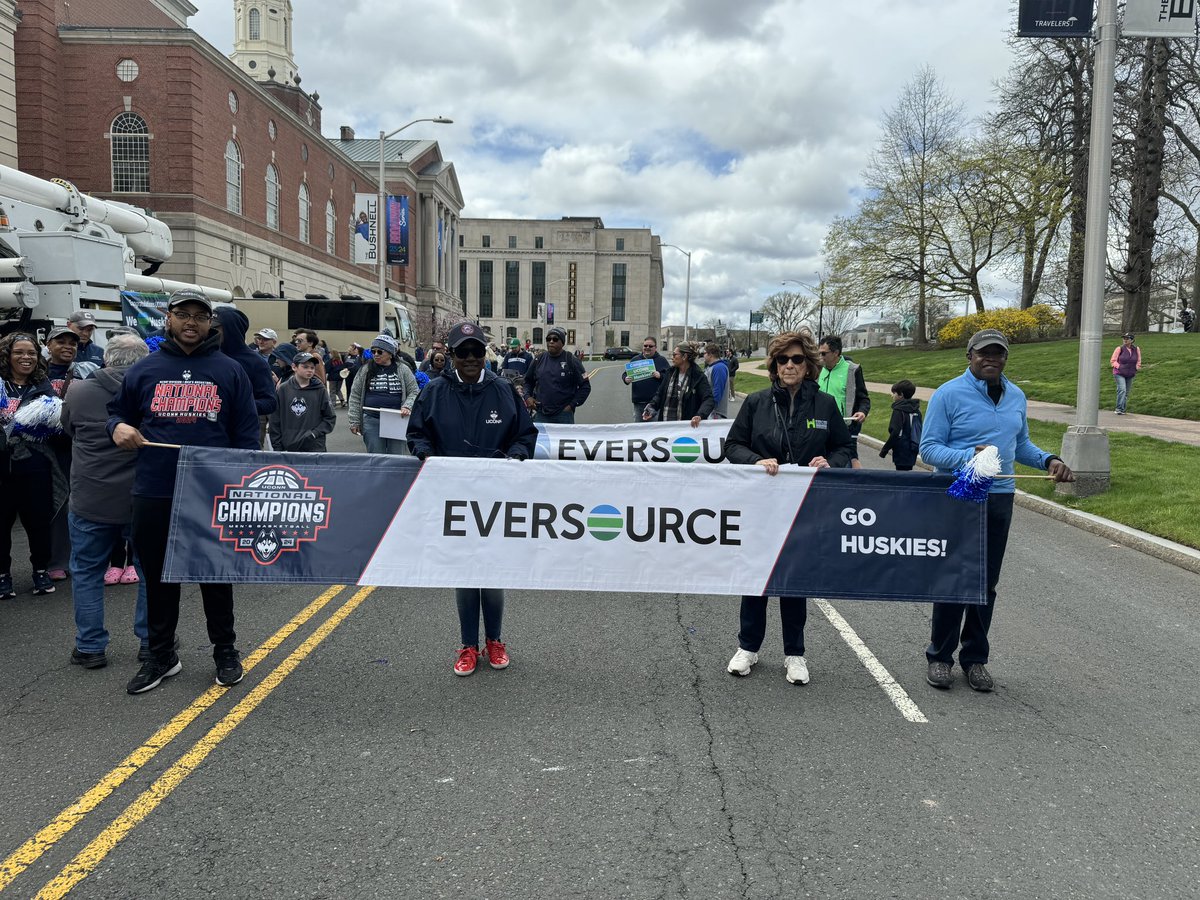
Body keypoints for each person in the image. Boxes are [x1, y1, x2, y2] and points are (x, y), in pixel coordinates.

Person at [108, 288, 260, 694]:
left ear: (211, 322)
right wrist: (117, 428)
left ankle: (225, 651)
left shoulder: (229, 370)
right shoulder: (145, 370)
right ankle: (161, 654)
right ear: (169, 320)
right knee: (158, 577)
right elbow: (118, 414)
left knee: (214, 574)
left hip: (212, 492)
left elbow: (246, 436)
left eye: (200, 315)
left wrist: (239, 482)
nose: (191, 322)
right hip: (155, 488)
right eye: (183, 314)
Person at [919, 329, 1075, 692]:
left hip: (1000, 495)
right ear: (969, 355)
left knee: (986, 582)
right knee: (954, 577)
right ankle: (939, 657)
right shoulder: (947, 394)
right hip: (961, 494)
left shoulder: (1016, 395)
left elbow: (1019, 444)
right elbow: (928, 450)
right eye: (983, 353)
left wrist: (1048, 460)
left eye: (998, 354)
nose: (991, 359)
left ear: (1005, 358)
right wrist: (969, 458)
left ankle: (975, 659)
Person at [406, 321, 537, 676]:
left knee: (491, 574)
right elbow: (417, 433)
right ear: (451, 355)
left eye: (476, 351)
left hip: (495, 500)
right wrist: (425, 454)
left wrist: (517, 458)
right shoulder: (434, 391)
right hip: (453, 500)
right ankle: (467, 645)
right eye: (462, 352)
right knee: (465, 574)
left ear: (484, 354)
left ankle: (494, 640)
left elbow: (525, 435)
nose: (470, 359)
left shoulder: (503, 391)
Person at [724, 331, 853, 684]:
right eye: (783, 360)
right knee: (757, 580)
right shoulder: (757, 402)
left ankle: (794, 654)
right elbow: (733, 445)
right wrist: (756, 459)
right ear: (774, 366)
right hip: (762, 507)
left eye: (797, 359)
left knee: (795, 582)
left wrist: (830, 462)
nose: (790, 366)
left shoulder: (826, 405)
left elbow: (844, 448)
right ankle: (747, 647)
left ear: (809, 364)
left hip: (804, 508)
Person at [61, 335, 150, 669]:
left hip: (91, 495)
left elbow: (68, 427)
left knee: (86, 572)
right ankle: (150, 641)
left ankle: (90, 646)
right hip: (139, 496)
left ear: (106, 358)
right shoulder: (152, 392)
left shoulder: (79, 390)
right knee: (148, 570)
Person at [0, 333, 63, 598]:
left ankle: (40, 570)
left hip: (35, 465)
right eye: (19, 352)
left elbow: (54, 425)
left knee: (38, 522)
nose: (26, 358)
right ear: (6, 355)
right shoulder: (0, 384)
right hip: (1, 466)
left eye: (32, 353)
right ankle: (3, 576)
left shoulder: (42, 384)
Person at [215, 305, 278, 448]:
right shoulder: (207, 357)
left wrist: (238, 406)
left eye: (216, 328)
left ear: (231, 329)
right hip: (210, 437)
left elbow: (270, 402)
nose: (210, 332)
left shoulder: (255, 362)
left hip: (242, 439)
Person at [348, 334, 418, 455]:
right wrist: (354, 420)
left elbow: (414, 391)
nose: (375, 354)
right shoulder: (365, 370)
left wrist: (407, 406)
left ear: (390, 353)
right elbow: (355, 395)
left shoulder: (403, 369)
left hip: (397, 419)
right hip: (371, 419)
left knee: (397, 456)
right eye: (373, 351)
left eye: (380, 352)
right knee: (375, 456)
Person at [817, 336, 870, 466]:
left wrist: (862, 412)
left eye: (824, 353)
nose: (820, 356)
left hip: (844, 428)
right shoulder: (817, 369)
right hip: (820, 426)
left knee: (846, 464)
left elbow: (863, 398)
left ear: (836, 353)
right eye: (819, 353)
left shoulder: (852, 370)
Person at [269, 351, 336, 452]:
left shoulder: (320, 389)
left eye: (312, 367)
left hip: (314, 446)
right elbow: (275, 420)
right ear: (294, 367)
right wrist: (277, 445)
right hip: (288, 446)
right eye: (305, 367)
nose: (309, 370)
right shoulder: (283, 389)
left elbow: (330, 417)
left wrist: (315, 433)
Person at [526, 326, 591, 423]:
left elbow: (585, 386)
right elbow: (527, 381)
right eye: (548, 339)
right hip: (541, 414)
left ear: (562, 343)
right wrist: (527, 397)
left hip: (564, 415)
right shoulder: (538, 359)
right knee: (539, 438)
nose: (551, 341)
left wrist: (571, 405)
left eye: (555, 339)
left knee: (566, 439)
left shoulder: (572, 360)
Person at [642, 341, 714, 426]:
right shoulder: (670, 372)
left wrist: (700, 415)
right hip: (666, 425)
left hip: (685, 428)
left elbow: (708, 399)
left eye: (674, 355)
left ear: (684, 356)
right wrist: (651, 408)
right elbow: (660, 394)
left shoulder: (698, 376)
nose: (672, 358)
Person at [622, 336, 670, 422]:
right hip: (639, 402)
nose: (647, 348)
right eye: (645, 345)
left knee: (654, 429)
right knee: (639, 429)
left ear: (655, 348)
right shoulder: (635, 360)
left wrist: (660, 375)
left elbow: (669, 376)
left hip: (655, 402)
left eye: (650, 346)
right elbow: (625, 374)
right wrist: (626, 379)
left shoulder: (662, 360)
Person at [879, 380, 922, 471]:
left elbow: (895, 432)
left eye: (894, 393)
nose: (892, 395)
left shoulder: (898, 411)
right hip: (913, 447)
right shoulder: (916, 410)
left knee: (901, 473)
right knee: (908, 472)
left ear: (901, 394)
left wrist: (885, 450)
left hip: (901, 449)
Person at [1109, 332, 1142, 415]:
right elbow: (1113, 361)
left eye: (1127, 338)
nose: (1125, 340)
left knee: (1126, 392)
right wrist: (1119, 366)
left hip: (1130, 373)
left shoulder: (1136, 349)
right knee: (1122, 390)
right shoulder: (1119, 348)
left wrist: (1137, 367)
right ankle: (1119, 409)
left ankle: (1122, 409)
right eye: (1124, 338)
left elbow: (1138, 360)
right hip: (1119, 373)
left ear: (1132, 340)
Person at [703, 343, 731, 418]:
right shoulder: (710, 367)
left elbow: (717, 392)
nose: (703, 355)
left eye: (704, 353)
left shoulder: (719, 368)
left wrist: (706, 410)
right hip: (709, 412)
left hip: (715, 413)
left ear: (710, 354)